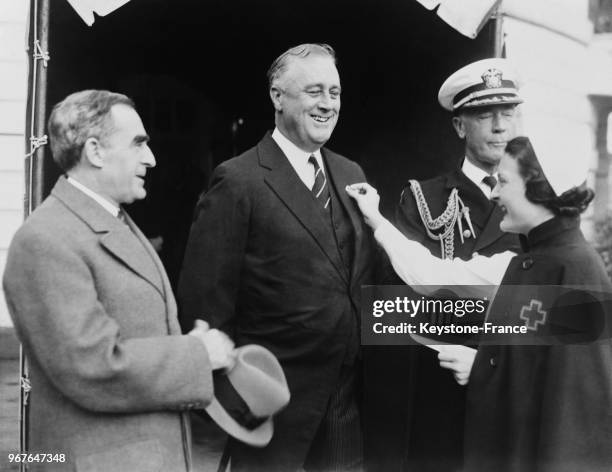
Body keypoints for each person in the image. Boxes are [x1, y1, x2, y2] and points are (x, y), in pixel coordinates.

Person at [347, 135, 612, 471]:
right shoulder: (535, 261)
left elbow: (577, 417)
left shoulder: (575, 270)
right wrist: (485, 365)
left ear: (537, 187)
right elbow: (537, 368)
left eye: (503, 181)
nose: (494, 192)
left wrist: (486, 371)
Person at [2, 90, 235, 472]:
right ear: (95, 151)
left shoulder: (110, 221)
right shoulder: (45, 239)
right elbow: (91, 366)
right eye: (138, 144)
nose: (152, 158)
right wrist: (197, 355)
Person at [178, 43, 380, 472]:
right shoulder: (238, 180)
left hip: (345, 403)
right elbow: (205, 303)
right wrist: (235, 403)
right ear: (277, 97)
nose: (327, 104)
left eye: (335, 92)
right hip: (273, 407)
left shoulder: (350, 175)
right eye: (314, 91)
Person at [363, 58, 522, 472]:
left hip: (509, 389)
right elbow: (402, 306)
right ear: (459, 126)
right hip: (437, 390)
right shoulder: (424, 200)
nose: (500, 127)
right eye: (485, 116)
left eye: (507, 114)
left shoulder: (535, 204)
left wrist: (491, 361)